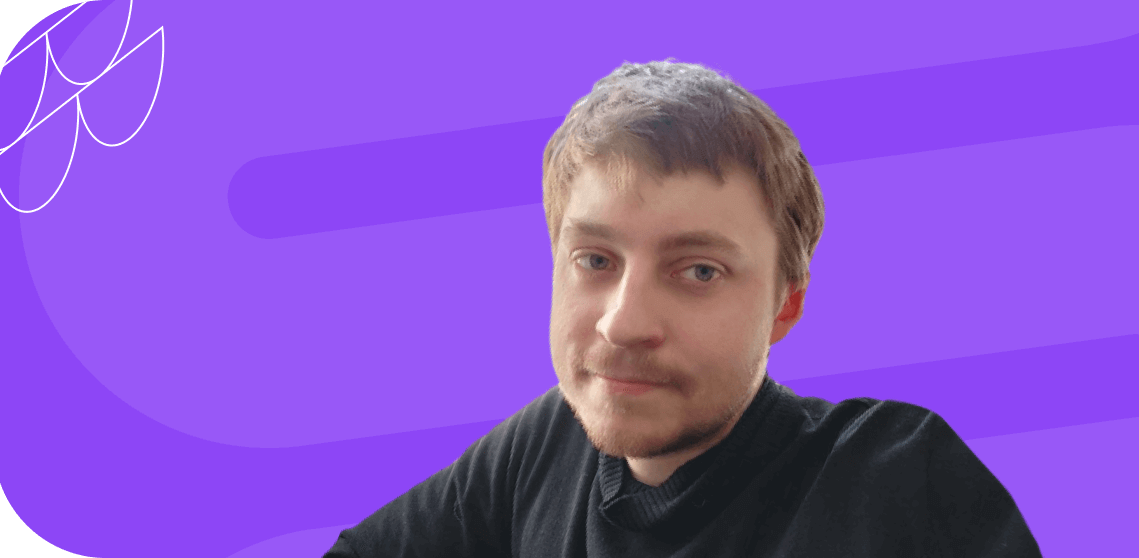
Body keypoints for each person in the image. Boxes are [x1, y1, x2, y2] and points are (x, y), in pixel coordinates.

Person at [324, 58, 1041, 557]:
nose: (623, 323)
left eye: (699, 270)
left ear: (784, 308)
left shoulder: (892, 480)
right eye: (595, 260)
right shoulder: (542, 449)